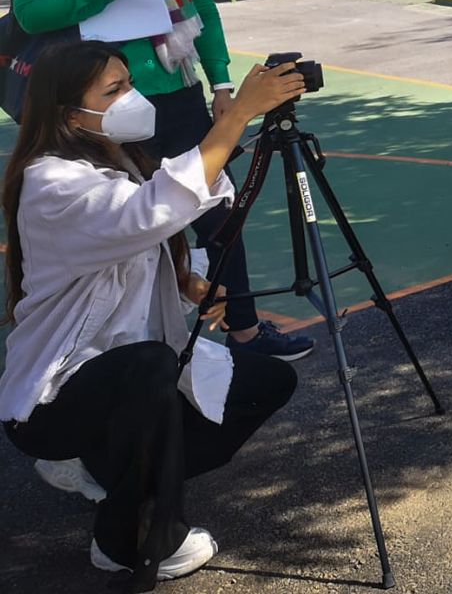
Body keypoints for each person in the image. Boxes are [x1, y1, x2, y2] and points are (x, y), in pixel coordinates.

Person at [11, 0, 313, 363]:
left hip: (178, 92)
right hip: (106, 107)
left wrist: (222, 85)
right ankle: (134, 348)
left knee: (218, 215)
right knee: (133, 223)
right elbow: (30, 13)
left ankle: (244, 332)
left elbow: (202, 3)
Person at [0, 41, 307, 588]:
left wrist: (186, 283)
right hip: (55, 396)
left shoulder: (114, 156)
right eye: (114, 91)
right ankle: (128, 543)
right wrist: (237, 113)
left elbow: (131, 242)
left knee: (268, 381)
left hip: (125, 377)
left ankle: (109, 470)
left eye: (129, 84)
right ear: (71, 114)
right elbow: (147, 214)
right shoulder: (51, 182)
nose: (132, 98)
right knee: (150, 367)